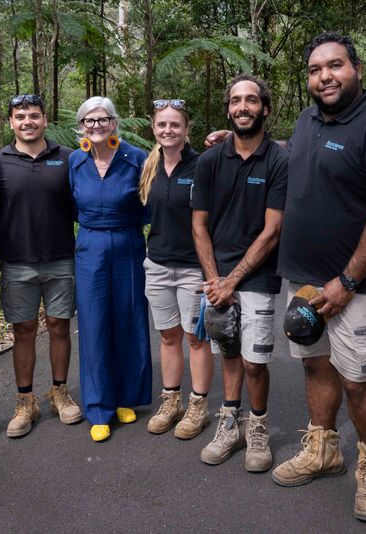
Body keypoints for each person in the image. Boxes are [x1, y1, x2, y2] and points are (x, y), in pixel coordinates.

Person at [270, 33, 366, 523]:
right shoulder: (308, 119)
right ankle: (323, 448)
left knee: (358, 381)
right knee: (315, 366)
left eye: (334, 66)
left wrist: (347, 282)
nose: (324, 77)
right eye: (314, 70)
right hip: (305, 281)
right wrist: (238, 139)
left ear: (356, 68)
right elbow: (299, 154)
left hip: (358, 287)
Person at [191, 75, 287, 472]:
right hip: (218, 278)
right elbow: (199, 226)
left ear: (265, 108)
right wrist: (216, 281)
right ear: (228, 108)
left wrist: (233, 281)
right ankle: (229, 422)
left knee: (254, 361)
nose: (242, 107)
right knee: (229, 351)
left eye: (251, 100)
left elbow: (273, 230)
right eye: (235, 101)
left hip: (259, 277)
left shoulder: (279, 160)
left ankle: (258, 427)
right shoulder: (211, 159)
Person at [0, 94, 82, 440]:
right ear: (10, 122)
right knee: (23, 330)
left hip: (61, 257)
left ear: (45, 120)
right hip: (16, 261)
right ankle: (26, 401)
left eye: (34, 116)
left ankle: (59, 392)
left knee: (59, 325)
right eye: (20, 116)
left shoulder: (67, 158)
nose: (28, 121)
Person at [69, 96, 151, 442]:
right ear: (82, 126)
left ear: (114, 123)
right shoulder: (74, 161)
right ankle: (99, 407)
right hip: (90, 249)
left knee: (128, 320)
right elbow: (72, 205)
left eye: (103, 119)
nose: (97, 126)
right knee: (94, 325)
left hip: (129, 245)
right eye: (90, 120)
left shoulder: (136, 158)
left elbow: (149, 204)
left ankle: (125, 398)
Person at [139, 99, 214, 439]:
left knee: (195, 338)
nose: (167, 130)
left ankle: (199, 404)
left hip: (192, 269)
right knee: (168, 336)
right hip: (156, 264)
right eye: (161, 125)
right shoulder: (149, 166)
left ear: (186, 129)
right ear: (154, 128)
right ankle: (171, 400)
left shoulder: (202, 165)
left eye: (175, 125)